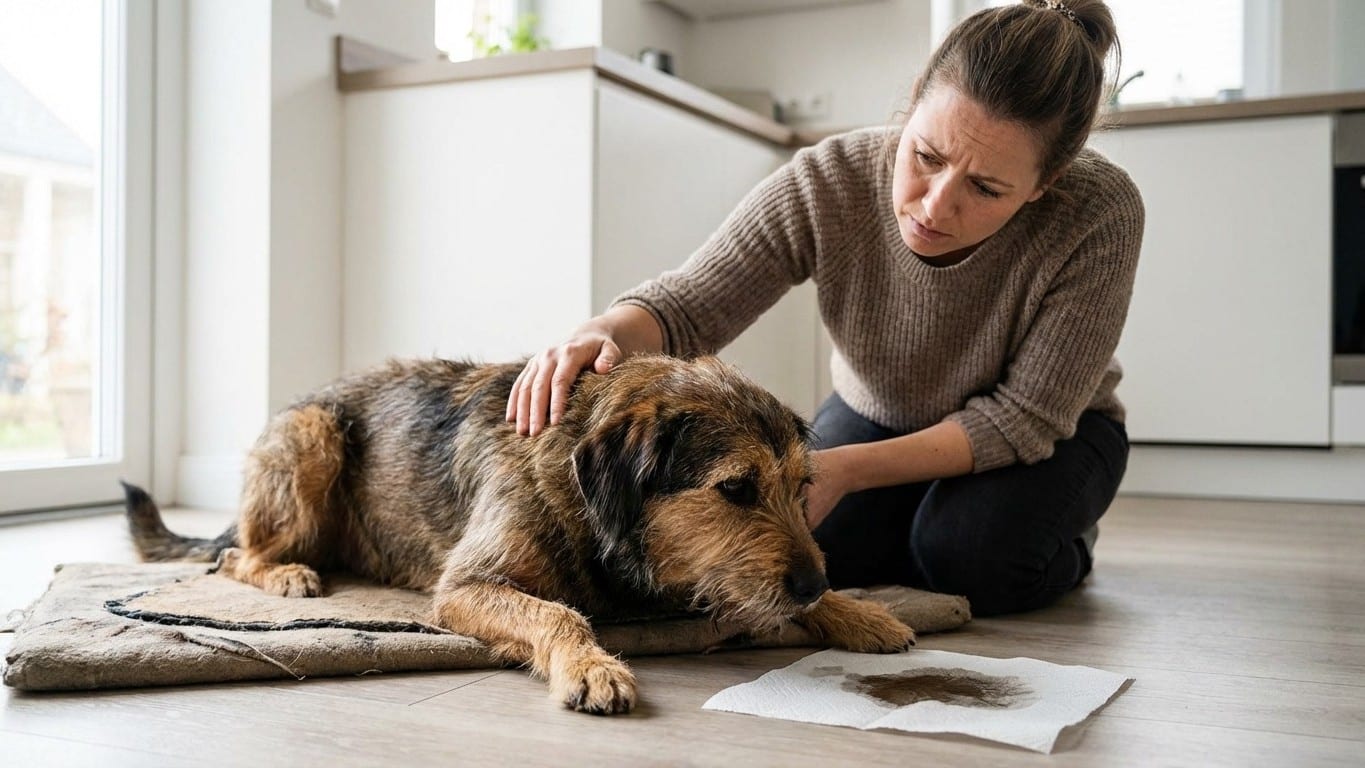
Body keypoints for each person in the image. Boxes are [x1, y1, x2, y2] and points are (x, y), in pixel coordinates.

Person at [507, 0, 1142, 617]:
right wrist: (600, 331)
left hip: (1053, 435)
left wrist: (846, 471)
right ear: (913, 101)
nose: (934, 206)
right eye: (926, 156)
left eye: (985, 188)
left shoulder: (1100, 212)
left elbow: (1023, 418)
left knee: (971, 557)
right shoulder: (827, 180)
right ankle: (920, 520)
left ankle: (1059, 537)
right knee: (819, 555)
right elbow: (689, 306)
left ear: (1045, 184)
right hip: (879, 412)